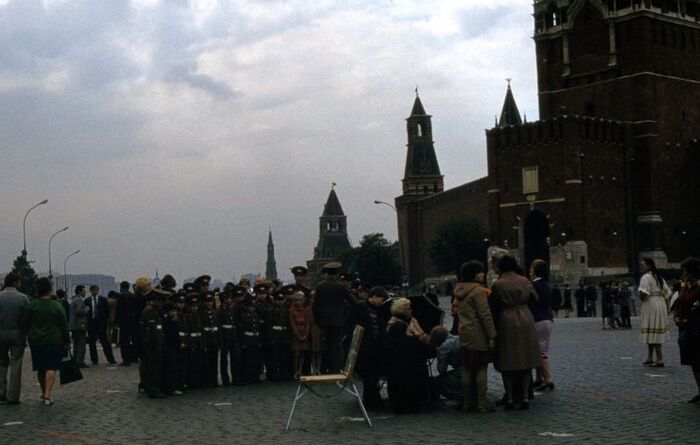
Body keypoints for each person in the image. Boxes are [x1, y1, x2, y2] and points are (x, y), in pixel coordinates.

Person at [490, 255, 541, 411]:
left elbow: (493, 304)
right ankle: (525, 396)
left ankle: (510, 397)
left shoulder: (498, 284)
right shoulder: (524, 280)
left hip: (507, 320)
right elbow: (535, 298)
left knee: (507, 360)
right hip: (525, 318)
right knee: (526, 360)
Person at [453, 260, 496, 413]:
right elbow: (485, 315)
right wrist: (492, 335)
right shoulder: (478, 291)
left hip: (464, 332)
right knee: (481, 367)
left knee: (466, 367)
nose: (483, 274)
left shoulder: (459, 290)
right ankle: (482, 403)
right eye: (480, 272)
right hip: (478, 333)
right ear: (473, 274)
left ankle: (467, 402)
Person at [23, 278, 70, 406]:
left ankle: (43, 391)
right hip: (54, 340)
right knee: (51, 367)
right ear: (50, 289)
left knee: (40, 368)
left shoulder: (32, 305)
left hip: (36, 341)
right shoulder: (56, 305)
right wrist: (67, 340)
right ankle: (48, 394)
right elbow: (64, 325)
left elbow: (25, 323)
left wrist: (29, 335)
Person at [385, 298, 435, 414]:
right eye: (408, 309)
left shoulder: (412, 321)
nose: (411, 311)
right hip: (410, 356)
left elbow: (422, 334)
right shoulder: (394, 324)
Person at [345, 286, 389, 410]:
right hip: (364, 347)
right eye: (381, 300)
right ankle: (372, 402)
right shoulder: (360, 307)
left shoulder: (377, 309)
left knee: (372, 376)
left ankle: (373, 401)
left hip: (374, 347)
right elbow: (350, 326)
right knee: (369, 376)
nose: (382, 303)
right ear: (374, 296)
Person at [313, 262, 353, 373]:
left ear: (326, 273)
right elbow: (352, 301)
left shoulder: (320, 286)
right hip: (338, 321)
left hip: (324, 321)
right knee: (337, 345)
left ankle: (324, 368)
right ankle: (335, 369)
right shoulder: (341, 286)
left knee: (325, 345)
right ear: (337, 273)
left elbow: (315, 306)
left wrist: (318, 321)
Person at [672, 257, 700, 403]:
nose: (683, 273)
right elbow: (679, 302)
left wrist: (689, 318)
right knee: (693, 361)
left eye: (685, 270)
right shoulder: (686, 286)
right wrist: (677, 316)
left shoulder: (698, 286)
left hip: (696, 327)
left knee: (698, 359)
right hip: (685, 326)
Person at [0, 272, 29, 405]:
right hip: (18, 335)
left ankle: (1, 392)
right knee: (16, 364)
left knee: (1, 363)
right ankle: (13, 396)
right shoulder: (23, 298)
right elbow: (27, 318)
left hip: (1, 334)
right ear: (15, 283)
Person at [639, 258, 671, 367]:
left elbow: (644, 293)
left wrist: (641, 297)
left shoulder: (645, 277)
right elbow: (667, 293)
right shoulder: (659, 277)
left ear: (649, 266)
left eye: (643, 265)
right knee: (652, 330)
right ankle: (650, 357)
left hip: (651, 304)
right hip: (660, 303)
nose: (641, 267)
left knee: (653, 330)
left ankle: (659, 358)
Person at [528, 259, 555, 392]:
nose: (529, 272)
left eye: (531, 269)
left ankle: (548, 379)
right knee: (538, 350)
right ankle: (539, 378)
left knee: (541, 352)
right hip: (547, 319)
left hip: (538, 319)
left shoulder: (535, 285)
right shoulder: (545, 284)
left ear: (535, 271)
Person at [138, 283, 166, 399]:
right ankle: (153, 389)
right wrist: (157, 344)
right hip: (152, 345)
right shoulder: (150, 311)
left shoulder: (153, 311)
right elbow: (152, 332)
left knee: (153, 366)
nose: (161, 304)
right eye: (160, 301)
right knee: (153, 367)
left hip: (154, 344)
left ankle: (151, 387)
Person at [429, 326, 463, 408]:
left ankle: (460, 397)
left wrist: (439, 354)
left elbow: (442, 371)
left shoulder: (445, 346)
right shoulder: (457, 338)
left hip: (461, 373)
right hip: (470, 371)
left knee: (434, 382)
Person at [85, 285, 116, 365]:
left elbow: (107, 311)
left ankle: (110, 359)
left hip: (101, 323)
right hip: (92, 323)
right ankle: (94, 360)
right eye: (93, 290)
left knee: (105, 342)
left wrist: (105, 321)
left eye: (96, 290)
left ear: (98, 290)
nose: (94, 291)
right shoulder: (87, 300)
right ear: (90, 291)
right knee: (92, 343)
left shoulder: (103, 300)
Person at [217, 287, 243, 386]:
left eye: (230, 298)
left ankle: (236, 378)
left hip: (233, 334)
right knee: (224, 359)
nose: (230, 300)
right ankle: (225, 379)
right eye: (228, 298)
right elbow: (220, 325)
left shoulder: (231, 309)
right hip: (225, 335)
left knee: (235, 356)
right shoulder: (220, 310)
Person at [265, 290, 291, 381]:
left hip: (284, 335)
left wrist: (288, 337)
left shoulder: (285, 311)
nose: (280, 302)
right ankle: (274, 375)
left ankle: (284, 373)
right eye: (278, 300)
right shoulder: (271, 311)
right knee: (274, 357)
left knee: (284, 357)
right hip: (275, 335)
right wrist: (271, 338)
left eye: (281, 300)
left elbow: (288, 324)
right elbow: (268, 325)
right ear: (274, 300)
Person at [238, 297, 263, 384]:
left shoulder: (256, 316)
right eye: (251, 306)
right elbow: (242, 330)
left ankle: (255, 376)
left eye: (253, 306)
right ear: (247, 307)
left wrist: (259, 341)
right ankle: (247, 377)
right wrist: (243, 342)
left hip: (255, 339)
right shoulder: (243, 316)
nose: (252, 308)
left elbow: (259, 329)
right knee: (248, 360)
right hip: (248, 340)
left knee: (256, 360)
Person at [289, 290, 312, 378]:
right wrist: (297, 335)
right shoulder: (291, 310)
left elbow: (308, 323)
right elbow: (292, 323)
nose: (298, 302)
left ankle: (300, 371)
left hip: (304, 332)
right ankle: (295, 371)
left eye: (300, 300)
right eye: (296, 300)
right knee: (296, 353)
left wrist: (306, 334)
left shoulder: (305, 310)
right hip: (296, 333)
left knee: (303, 352)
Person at [200, 293, 220, 388]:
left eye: (211, 301)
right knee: (206, 362)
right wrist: (203, 343)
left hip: (214, 340)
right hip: (206, 340)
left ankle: (214, 380)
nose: (209, 303)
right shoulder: (201, 313)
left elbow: (218, 328)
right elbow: (201, 329)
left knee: (214, 361)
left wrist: (219, 341)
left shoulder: (215, 312)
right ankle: (206, 381)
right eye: (207, 302)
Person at [68, 285, 89, 368]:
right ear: (80, 291)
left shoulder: (74, 299)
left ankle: (76, 360)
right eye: (84, 290)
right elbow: (79, 311)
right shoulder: (79, 300)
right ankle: (80, 361)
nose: (85, 292)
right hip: (79, 325)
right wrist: (86, 309)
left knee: (76, 345)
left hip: (74, 325)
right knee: (81, 345)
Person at [115, 281, 136, 366]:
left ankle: (126, 359)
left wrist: (117, 321)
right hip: (132, 320)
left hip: (123, 321)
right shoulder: (133, 295)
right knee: (133, 339)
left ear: (121, 287)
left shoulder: (121, 296)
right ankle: (133, 357)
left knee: (124, 341)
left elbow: (119, 309)